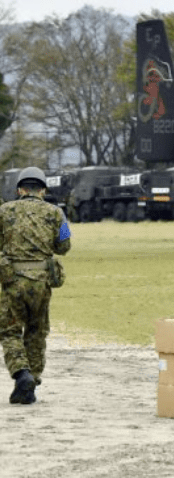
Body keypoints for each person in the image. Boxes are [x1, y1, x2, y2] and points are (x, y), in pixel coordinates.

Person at [0, 167, 71, 405]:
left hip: (12, 281)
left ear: (20, 189)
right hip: (41, 282)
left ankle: (22, 374)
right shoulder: (56, 213)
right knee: (36, 332)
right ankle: (32, 382)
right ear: (43, 190)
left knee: (10, 331)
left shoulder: (4, 211)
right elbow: (64, 245)